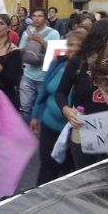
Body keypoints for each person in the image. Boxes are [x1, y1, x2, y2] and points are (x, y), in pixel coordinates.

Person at [29, 28, 87, 185]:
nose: (73, 49)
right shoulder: (57, 63)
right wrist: (35, 115)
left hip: (72, 129)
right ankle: (37, 202)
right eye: (70, 45)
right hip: (49, 125)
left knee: (69, 172)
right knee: (47, 166)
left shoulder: (88, 71)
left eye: (78, 45)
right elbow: (44, 92)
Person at [55, 18, 108, 171]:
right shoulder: (79, 62)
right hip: (85, 129)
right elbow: (60, 92)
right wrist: (66, 109)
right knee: (85, 181)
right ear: (99, 40)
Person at [18, 8, 61, 123]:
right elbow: (20, 51)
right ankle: (24, 134)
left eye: (40, 16)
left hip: (45, 76)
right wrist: (27, 44)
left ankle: (39, 133)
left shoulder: (53, 33)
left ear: (45, 17)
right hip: (28, 74)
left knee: (42, 107)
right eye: (34, 16)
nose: (36, 18)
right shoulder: (27, 32)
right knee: (25, 107)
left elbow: (56, 55)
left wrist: (41, 42)